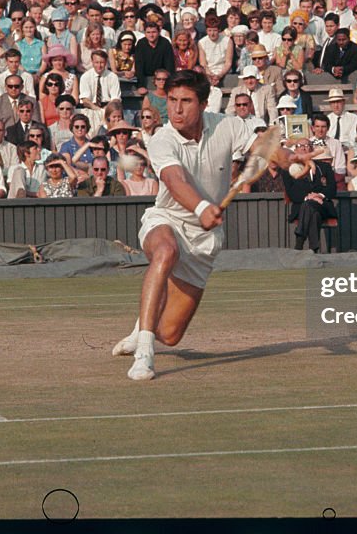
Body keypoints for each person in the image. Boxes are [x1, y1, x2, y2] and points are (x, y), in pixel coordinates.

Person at [111, 69, 295, 381]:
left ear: (204, 103)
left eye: (185, 101)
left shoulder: (229, 125)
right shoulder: (160, 139)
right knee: (165, 252)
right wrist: (200, 206)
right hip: (167, 219)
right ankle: (144, 351)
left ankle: (143, 327)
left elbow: (265, 147)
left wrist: (292, 160)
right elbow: (174, 179)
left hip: (204, 239)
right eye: (171, 100)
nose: (176, 109)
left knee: (170, 335)